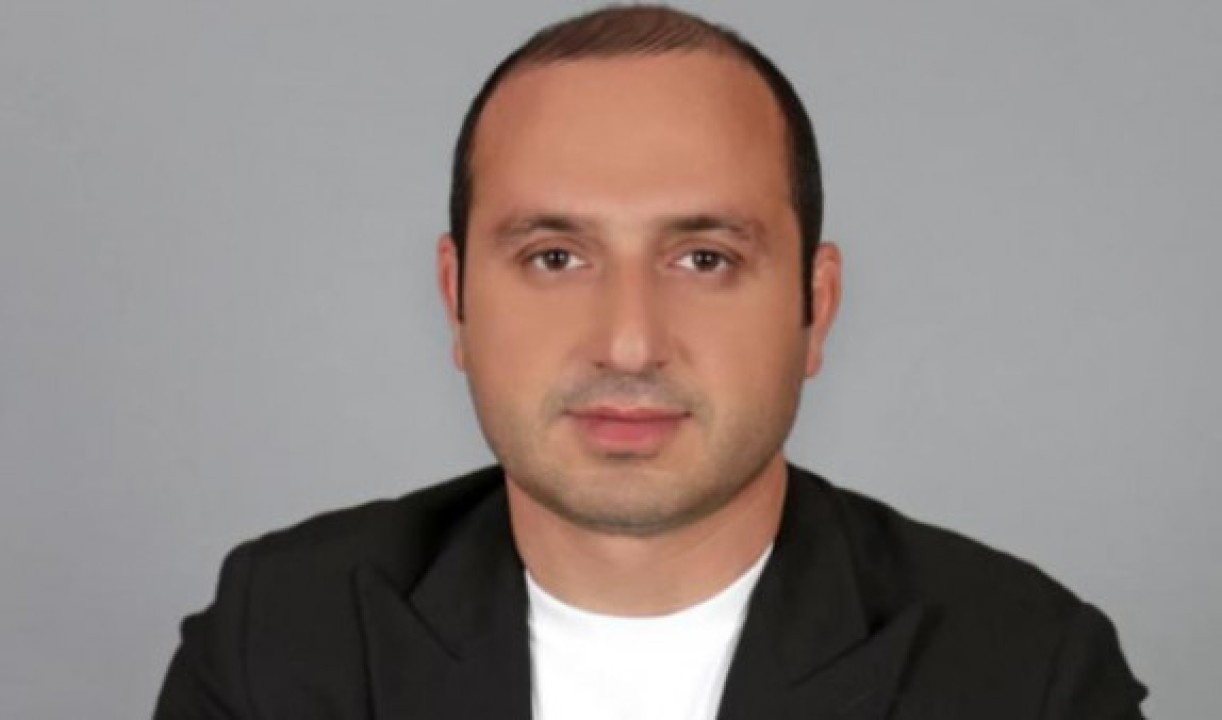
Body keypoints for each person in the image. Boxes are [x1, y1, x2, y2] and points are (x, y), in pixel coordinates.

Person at [153, 6, 1147, 719]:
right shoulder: (278, 639)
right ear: (456, 301)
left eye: (704, 259)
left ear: (816, 308)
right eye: (555, 258)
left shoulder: (1027, 674)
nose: (628, 342)